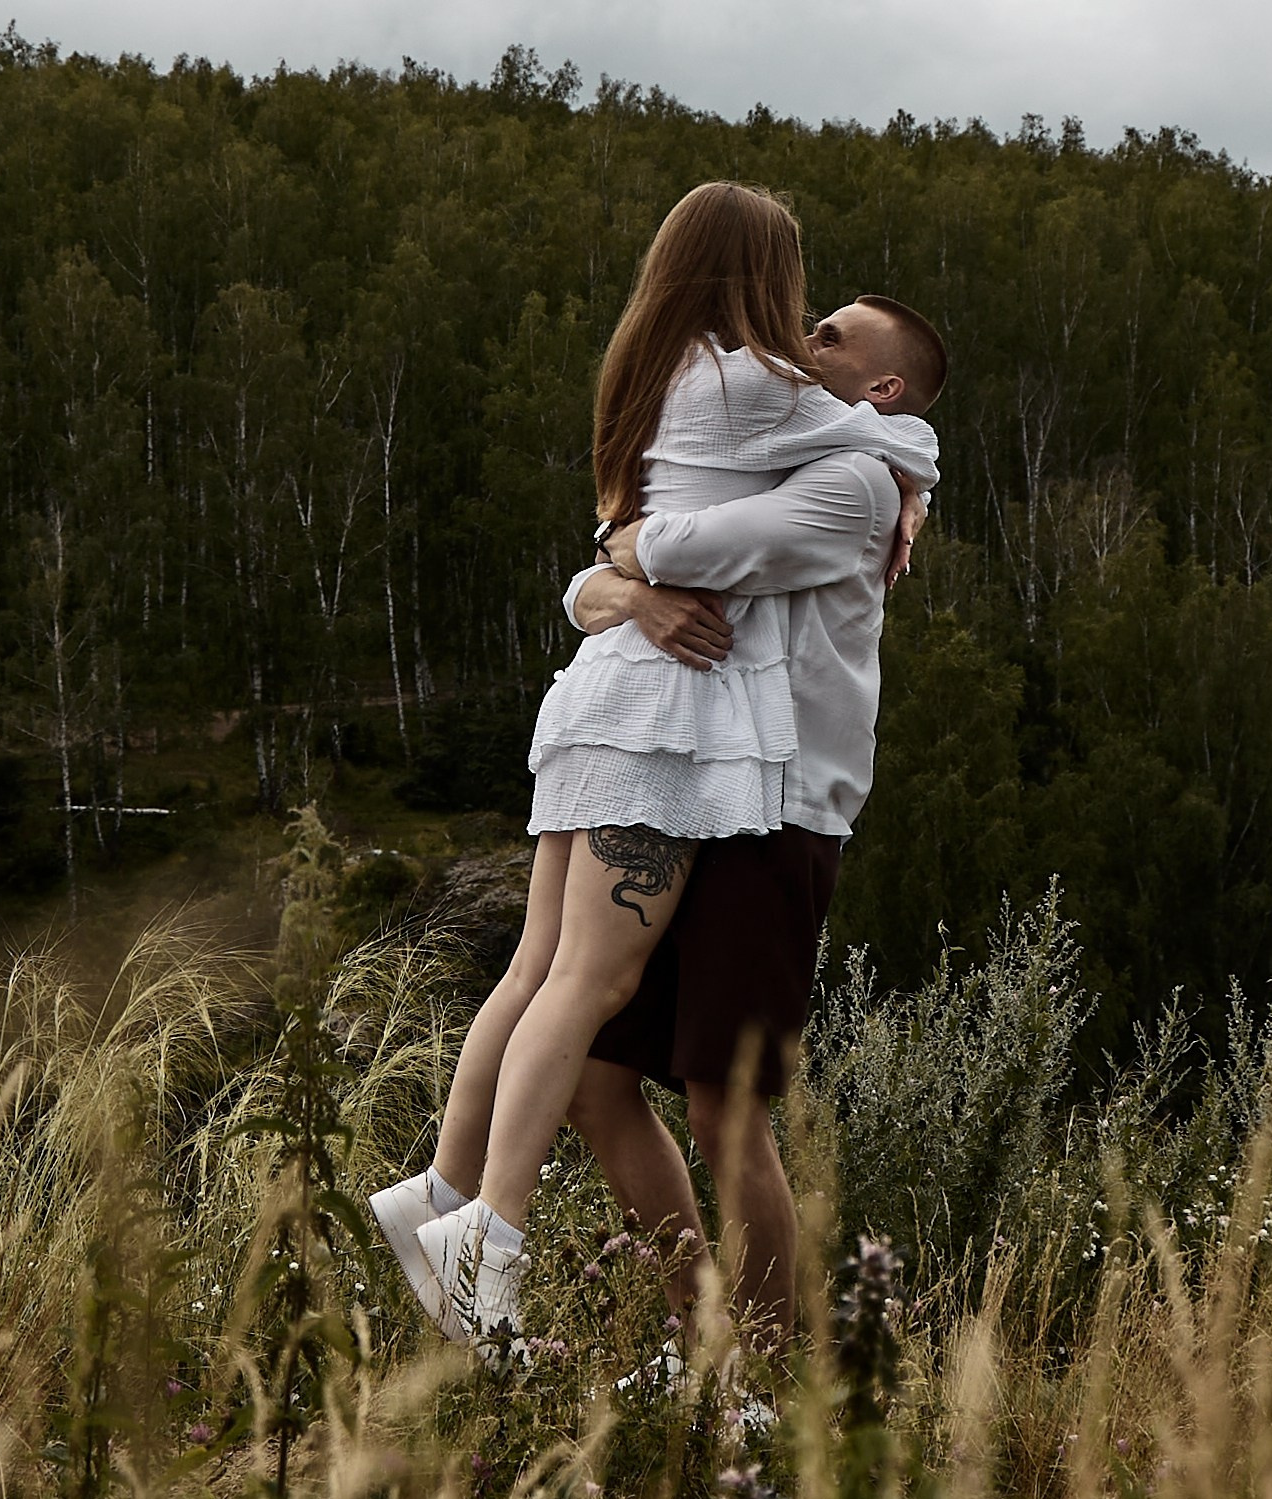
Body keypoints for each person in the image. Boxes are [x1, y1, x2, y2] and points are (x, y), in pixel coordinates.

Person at [368, 185, 939, 1341]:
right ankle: (493, 1247)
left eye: (834, 332)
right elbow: (630, 562)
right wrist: (627, 569)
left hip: (761, 797)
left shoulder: (785, 440)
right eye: (804, 304)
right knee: (578, 998)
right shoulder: (769, 400)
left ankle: (711, 1338)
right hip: (680, 744)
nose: (808, 331)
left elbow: (652, 545)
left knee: (596, 1015)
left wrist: (622, 561)